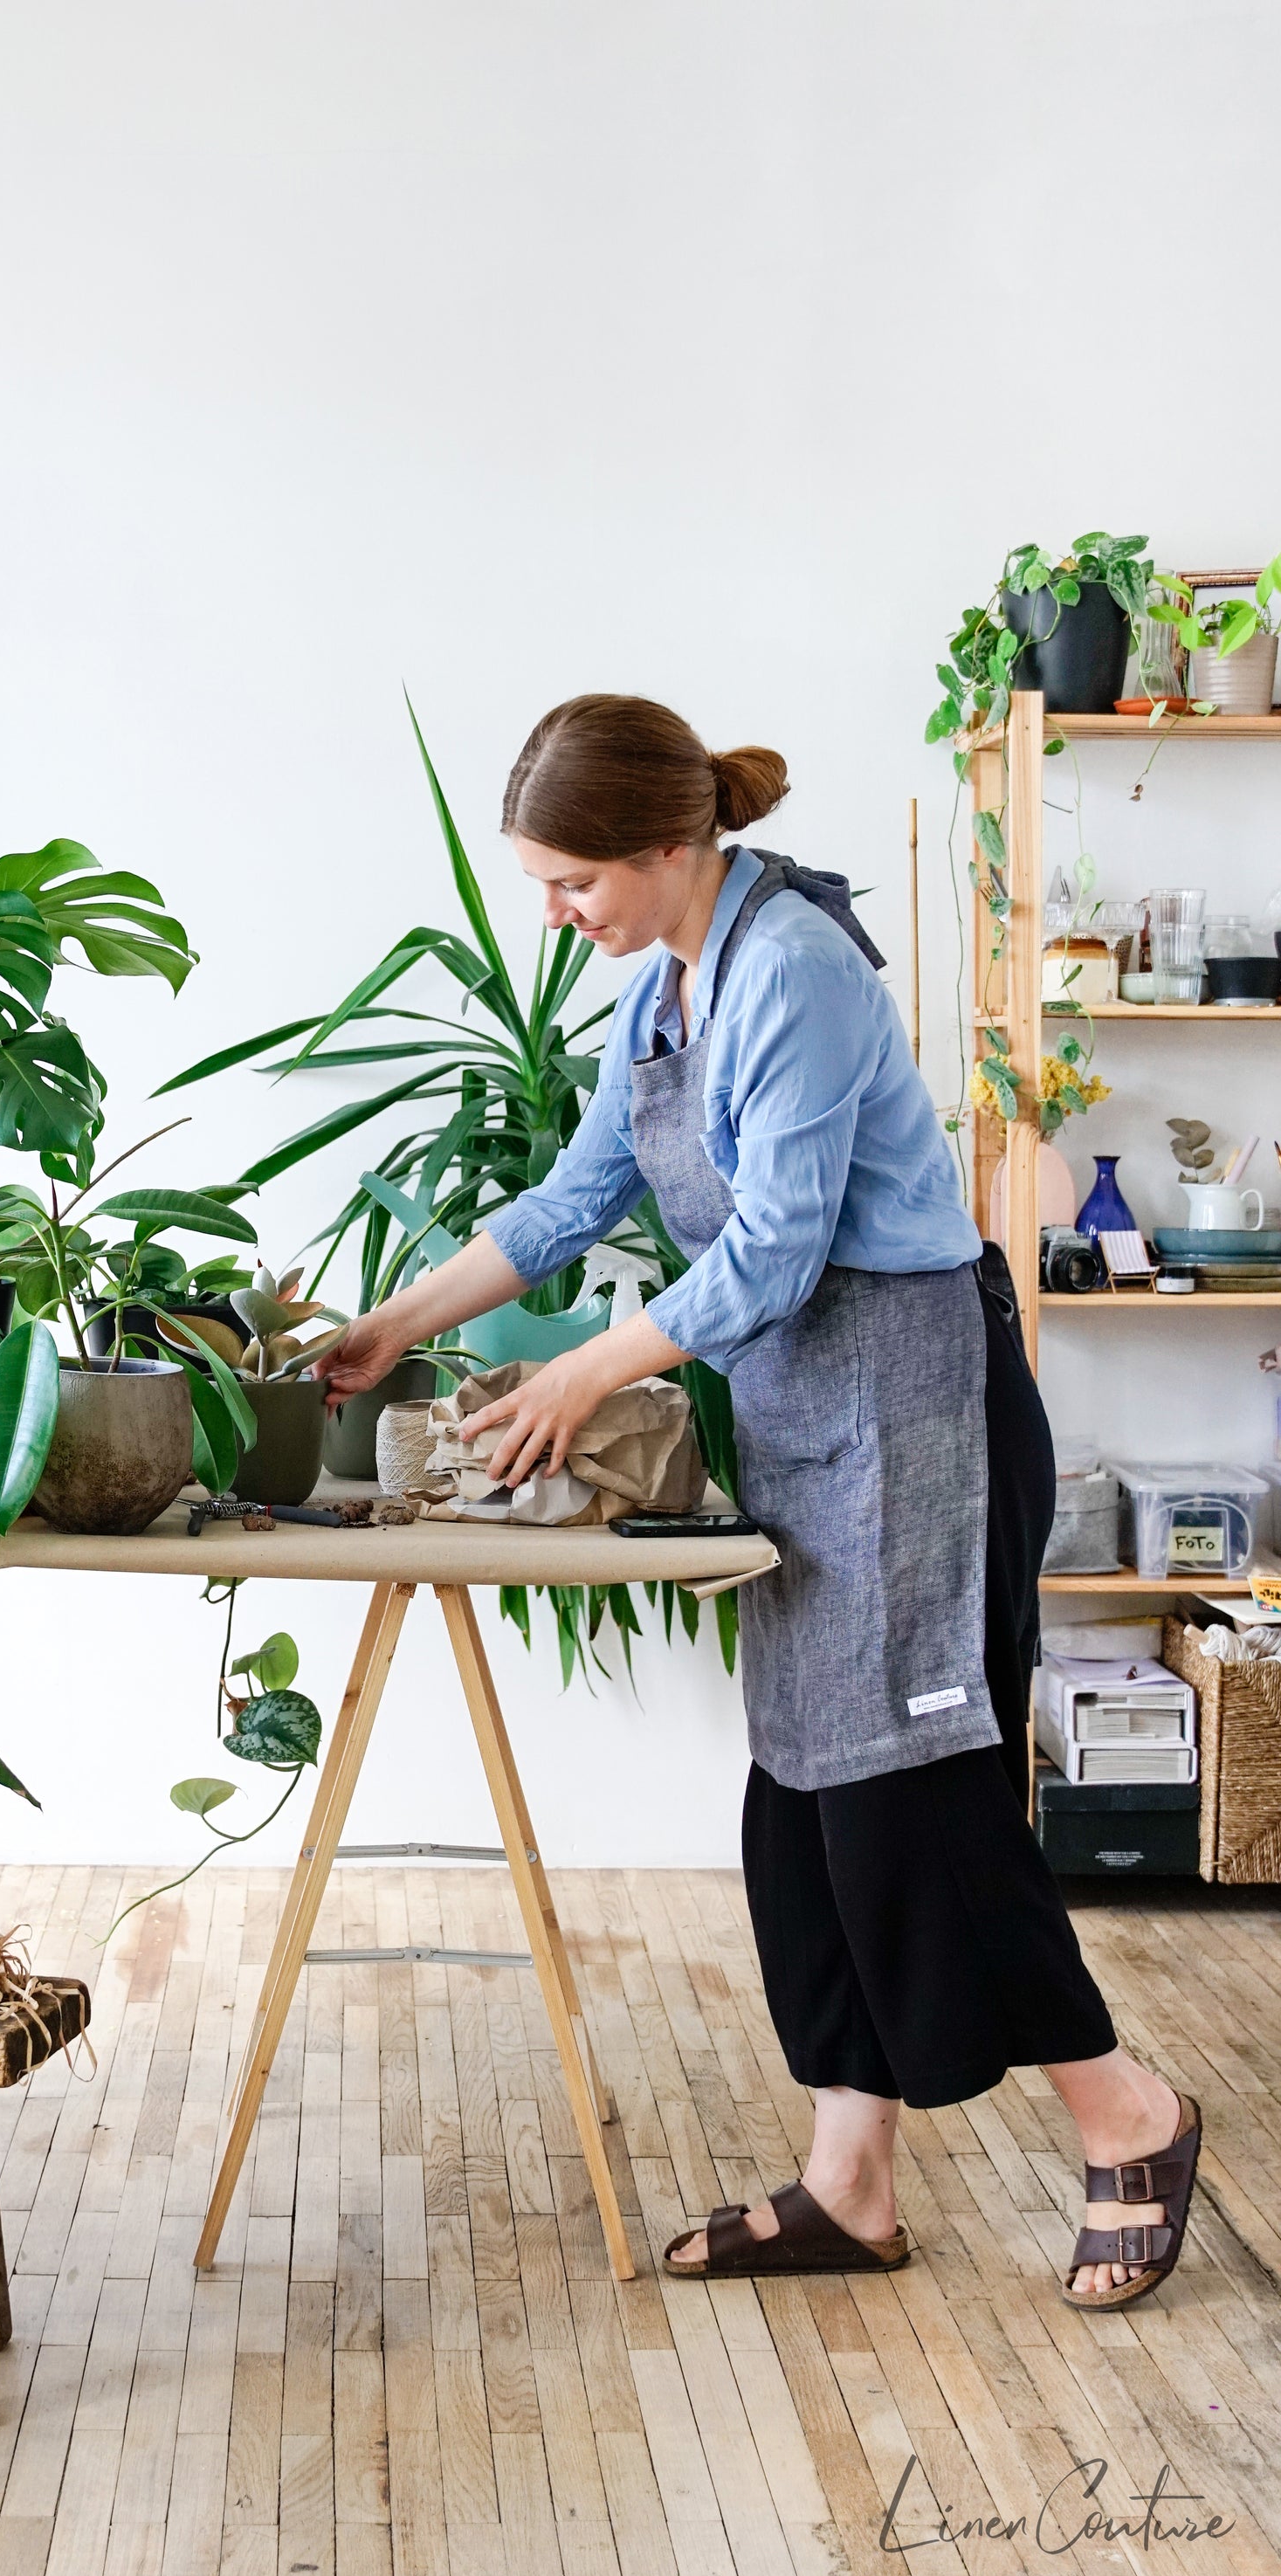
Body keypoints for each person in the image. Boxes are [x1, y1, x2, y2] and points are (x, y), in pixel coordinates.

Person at [315, 693, 1201, 2309]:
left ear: (670, 845)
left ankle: (1129, 2114)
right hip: (811, 1411)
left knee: (916, 1800)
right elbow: (577, 1195)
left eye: (575, 880)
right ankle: (849, 2186)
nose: (557, 912)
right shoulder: (666, 988)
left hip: (915, 1410)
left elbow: (780, 1248)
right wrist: (394, 1324)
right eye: (542, 883)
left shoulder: (791, 966)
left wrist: (584, 1379)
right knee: (807, 1800)